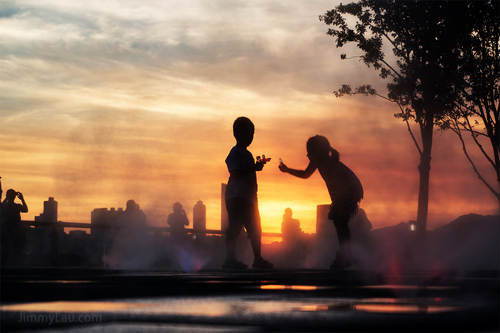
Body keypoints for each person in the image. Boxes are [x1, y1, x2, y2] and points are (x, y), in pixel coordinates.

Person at [279, 135, 363, 269]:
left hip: (350, 189)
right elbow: (305, 174)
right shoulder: (318, 162)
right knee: (340, 221)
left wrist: (336, 205)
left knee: (340, 220)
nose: (307, 154)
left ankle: (346, 255)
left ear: (318, 152)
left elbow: (341, 187)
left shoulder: (330, 164)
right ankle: (347, 255)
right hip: (344, 191)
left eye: (310, 151)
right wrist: (287, 170)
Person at [223, 117, 273, 269]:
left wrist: (255, 166)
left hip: (248, 198)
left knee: (255, 229)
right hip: (237, 197)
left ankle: (257, 259)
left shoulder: (247, 153)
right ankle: (230, 260)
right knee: (235, 229)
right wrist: (254, 168)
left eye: (252, 133)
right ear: (237, 134)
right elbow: (235, 173)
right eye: (248, 133)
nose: (250, 137)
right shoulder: (235, 152)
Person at [1, 189, 28, 264]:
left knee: (6, 250)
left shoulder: (4, 206)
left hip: (5, 232)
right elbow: (25, 209)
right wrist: (22, 199)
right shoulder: (17, 206)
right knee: (15, 251)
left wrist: (5, 199)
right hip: (16, 232)